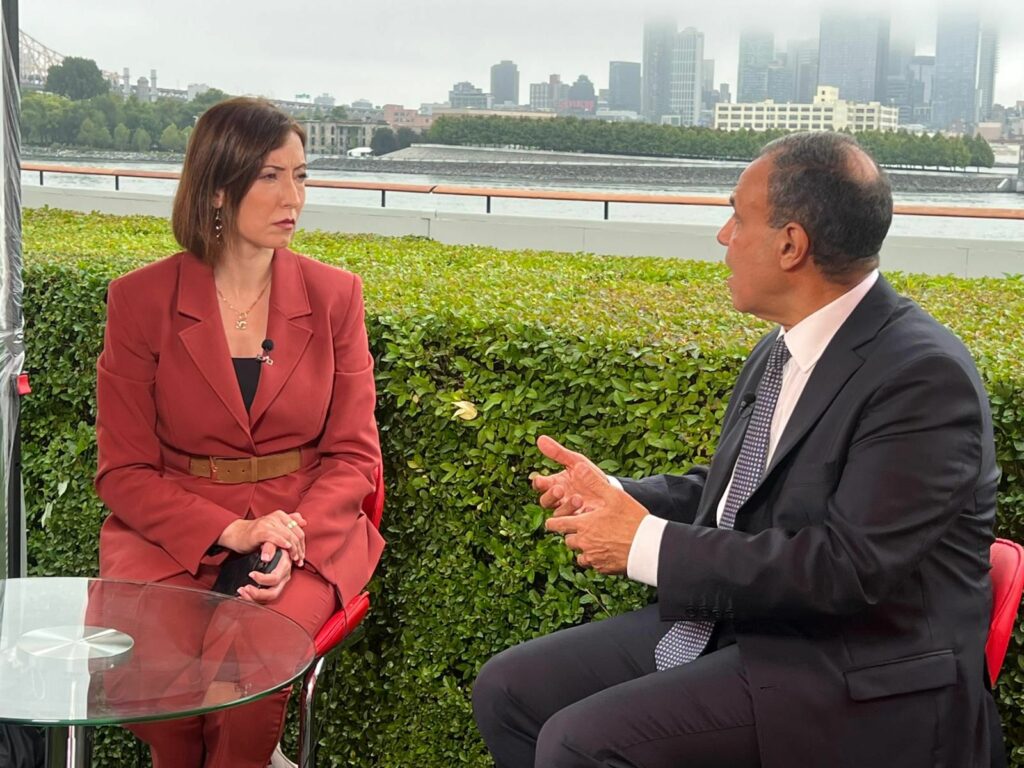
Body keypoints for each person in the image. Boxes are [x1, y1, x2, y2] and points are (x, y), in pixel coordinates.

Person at [472, 131, 1002, 768]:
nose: (724, 236)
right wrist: (618, 496)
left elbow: (846, 569)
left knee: (579, 742)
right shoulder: (784, 347)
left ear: (790, 245)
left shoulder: (922, 376)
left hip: (861, 673)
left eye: (737, 217)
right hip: (759, 628)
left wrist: (643, 544)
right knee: (509, 691)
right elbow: (740, 488)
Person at [95, 97, 383, 768]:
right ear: (218, 188)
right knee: (158, 677)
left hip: (304, 525)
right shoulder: (139, 300)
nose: (293, 198)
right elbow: (123, 470)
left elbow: (353, 455)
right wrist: (230, 531)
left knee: (250, 671)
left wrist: (287, 537)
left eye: (301, 176)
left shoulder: (336, 296)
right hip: (171, 529)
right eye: (270, 176)